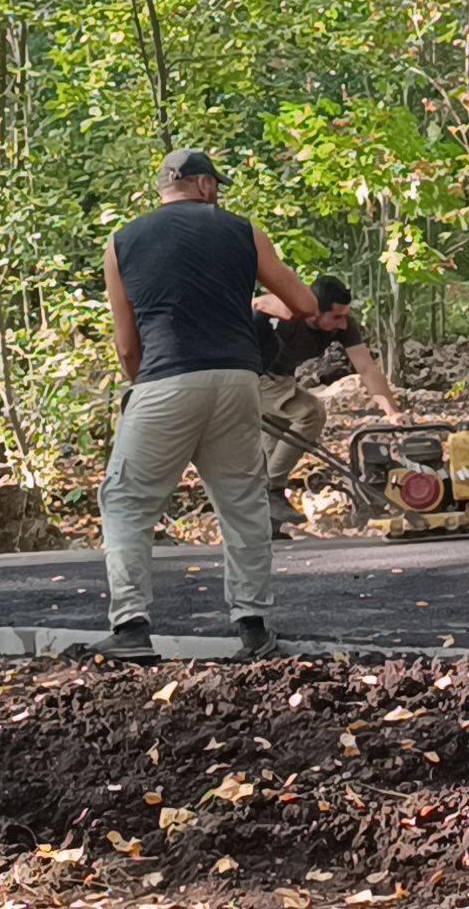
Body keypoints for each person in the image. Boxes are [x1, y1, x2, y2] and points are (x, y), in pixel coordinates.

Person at [95, 149, 317, 663]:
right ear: (199, 185)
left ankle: (130, 627)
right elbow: (304, 305)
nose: (217, 191)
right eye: (215, 183)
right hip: (238, 379)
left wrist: (147, 386)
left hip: (163, 381)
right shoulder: (242, 232)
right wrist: (257, 305)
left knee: (128, 503)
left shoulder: (121, 242)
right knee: (243, 503)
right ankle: (255, 627)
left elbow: (127, 347)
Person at [252, 276, 403, 529]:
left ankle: (266, 524)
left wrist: (392, 412)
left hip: (282, 379)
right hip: (251, 376)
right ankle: (271, 491)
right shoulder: (291, 312)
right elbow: (255, 303)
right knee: (311, 413)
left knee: (275, 447)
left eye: (345, 316)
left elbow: (366, 368)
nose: (342, 324)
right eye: (336, 317)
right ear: (313, 311)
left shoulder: (344, 326)